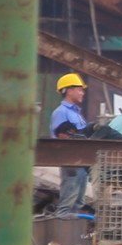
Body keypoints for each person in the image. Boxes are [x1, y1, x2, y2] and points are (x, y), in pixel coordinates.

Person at [50, 73, 92, 216]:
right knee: (67, 204)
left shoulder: (76, 113)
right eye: (80, 89)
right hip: (71, 162)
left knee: (78, 203)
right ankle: (62, 229)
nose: (83, 93)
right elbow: (61, 135)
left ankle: (76, 232)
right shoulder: (61, 112)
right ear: (69, 90)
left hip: (81, 162)